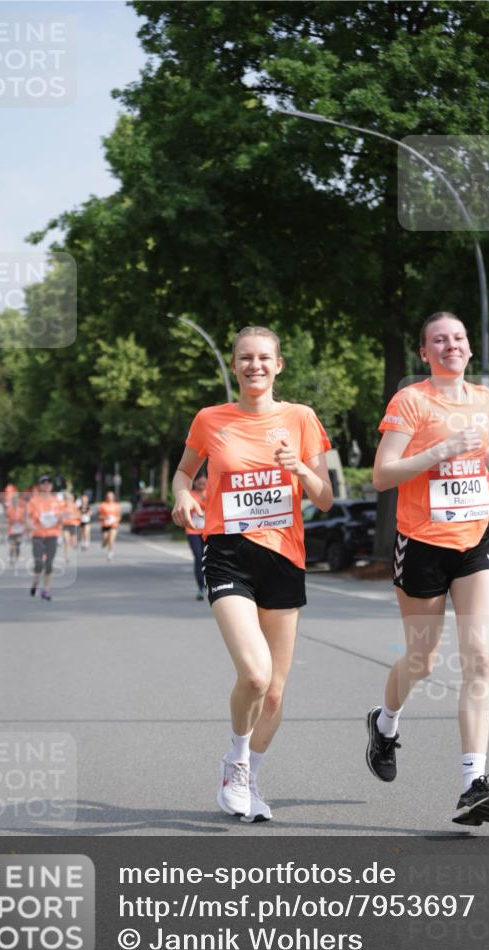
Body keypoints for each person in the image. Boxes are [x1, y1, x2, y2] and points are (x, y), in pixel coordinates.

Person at [172, 325, 333, 822]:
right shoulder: (210, 419)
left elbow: (326, 498)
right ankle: (236, 764)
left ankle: (250, 774)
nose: (254, 365)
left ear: (278, 365)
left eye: (264, 357)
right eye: (245, 357)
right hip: (228, 554)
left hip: (284, 559)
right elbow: (183, 472)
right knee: (256, 673)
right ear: (234, 364)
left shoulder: (301, 418)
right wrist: (182, 495)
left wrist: (300, 470)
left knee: (276, 692)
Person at [367, 312, 489, 826]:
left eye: (458, 338)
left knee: (480, 658)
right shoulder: (410, 401)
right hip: (422, 544)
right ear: (424, 353)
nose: (450, 345)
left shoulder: (483, 398)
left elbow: (482, 442)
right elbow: (383, 475)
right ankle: (385, 724)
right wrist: (438, 451)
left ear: (469, 349)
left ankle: (474, 783)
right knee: (422, 660)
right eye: (439, 340)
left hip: (476, 539)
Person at [27, 473, 65, 601]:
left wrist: (62, 519)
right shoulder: (34, 501)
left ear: (52, 486)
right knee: (38, 563)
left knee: (49, 564)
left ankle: (46, 591)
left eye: (49, 482)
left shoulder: (57, 501)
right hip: (38, 535)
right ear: (39, 486)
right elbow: (27, 517)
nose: (47, 485)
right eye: (44, 483)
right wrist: (29, 525)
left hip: (52, 535)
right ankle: (35, 582)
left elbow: (63, 516)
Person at [184, 472, 207, 600]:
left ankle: (211, 585)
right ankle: (200, 588)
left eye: (204, 482)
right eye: (199, 482)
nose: (202, 484)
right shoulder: (190, 495)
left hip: (209, 532)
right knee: (199, 558)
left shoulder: (211, 493)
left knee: (209, 559)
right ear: (195, 482)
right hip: (193, 531)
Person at [5, 493, 27, 568]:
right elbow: (7, 519)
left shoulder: (21, 510)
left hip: (19, 530)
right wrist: (8, 525)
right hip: (11, 530)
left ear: (18, 501)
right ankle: (11, 558)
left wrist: (22, 523)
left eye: (16, 501)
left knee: (18, 545)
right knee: (12, 545)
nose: (15, 502)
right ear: (12, 501)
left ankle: (17, 557)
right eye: (14, 501)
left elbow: (24, 520)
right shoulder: (9, 510)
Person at [98, 490, 121, 561]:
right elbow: (99, 515)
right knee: (105, 538)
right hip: (105, 525)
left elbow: (119, 516)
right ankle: (104, 543)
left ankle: (110, 553)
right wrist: (104, 518)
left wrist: (115, 520)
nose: (110, 498)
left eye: (111, 496)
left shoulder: (116, 505)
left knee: (111, 539)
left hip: (113, 525)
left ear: (113, 497)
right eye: (108, 496)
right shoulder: (103, 505)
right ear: (106, 497)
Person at [61, 492, 81, 563]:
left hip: (73, 525)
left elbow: (79, 515)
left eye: (68, 499)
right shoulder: (61, 506)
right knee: (66, 541)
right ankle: (66, 557)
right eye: (65, 498)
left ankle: (74, 544)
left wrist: (73, 516)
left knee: (73, 542)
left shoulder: (74, 506)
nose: (66, 500)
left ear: (71, 499)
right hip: (65, 525)